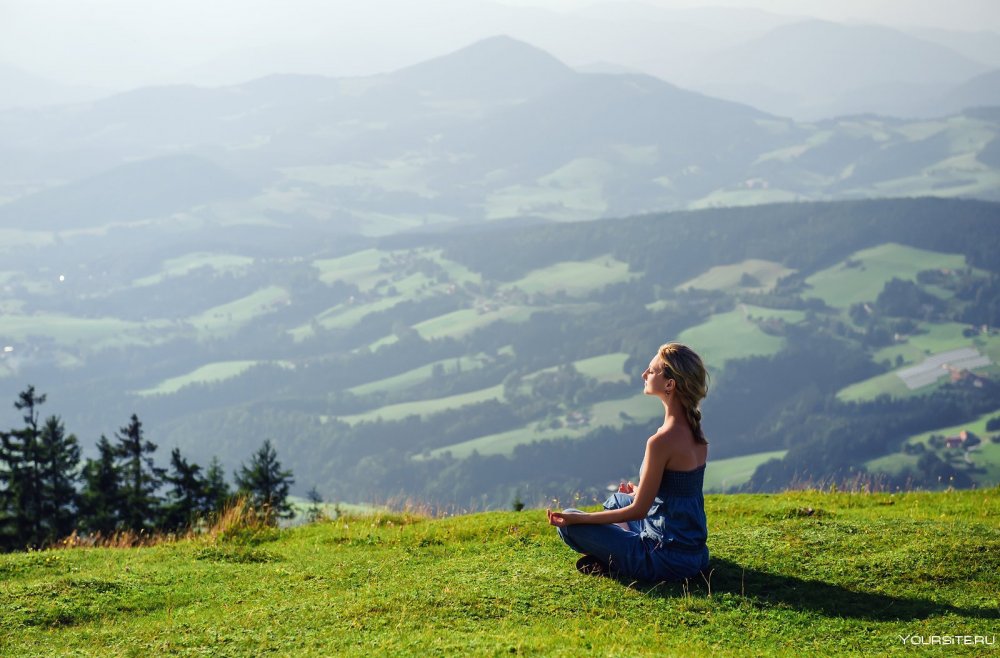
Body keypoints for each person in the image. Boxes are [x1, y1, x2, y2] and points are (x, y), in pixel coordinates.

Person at [547, 342, 710, 582]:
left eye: (651, 371)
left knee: (568, 523)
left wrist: (579, 518)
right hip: (695, 556)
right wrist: (639, 490)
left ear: (669, 384)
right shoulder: (695, 433)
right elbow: (678, 497)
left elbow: (639, 510)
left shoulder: (661, 441)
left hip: (663, 559)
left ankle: (619, 561)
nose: (644, 374)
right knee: (616, 500)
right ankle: (616, 556)